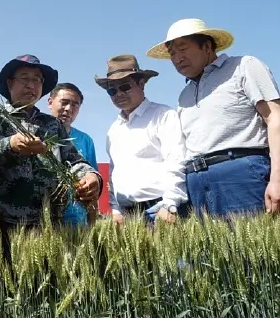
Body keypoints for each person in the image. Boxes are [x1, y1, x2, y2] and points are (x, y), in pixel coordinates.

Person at [146, 18, 280, 218]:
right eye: (172, 53)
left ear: (207, 46)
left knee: (247, 248)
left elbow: (274, 118)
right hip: (196, 184)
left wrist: (277, 179)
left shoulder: (244, 66)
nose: (176, 58)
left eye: (183, 49)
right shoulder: (184, 95)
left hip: (241, 175)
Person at [0, 55, 102, 266]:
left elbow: (74, 159)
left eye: (37, 80)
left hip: (49, 226)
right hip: (3, 225)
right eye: (24, 78)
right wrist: (12, 144)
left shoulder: (52, 125)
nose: (31, 85)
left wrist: (91, 176)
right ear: (10, 83)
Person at [95, 54, 188, 225]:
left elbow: (176, 161)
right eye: (112, 90)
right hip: (127, 216)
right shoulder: (114, 129)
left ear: (141, 83)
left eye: (125, 87)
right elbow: (114, 172)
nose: (119, 94)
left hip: (160, 210)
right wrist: (115, 209)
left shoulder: (163, 115)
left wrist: (170, 204)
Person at [48, 82, 98, 226]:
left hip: (78, 224)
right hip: (45, 225)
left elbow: (93, 189)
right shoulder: (36, 134)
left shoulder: (86, 140)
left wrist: (91, 227)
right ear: (50, 102)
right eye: (64, 102)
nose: (68, 109)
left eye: (75, 105)